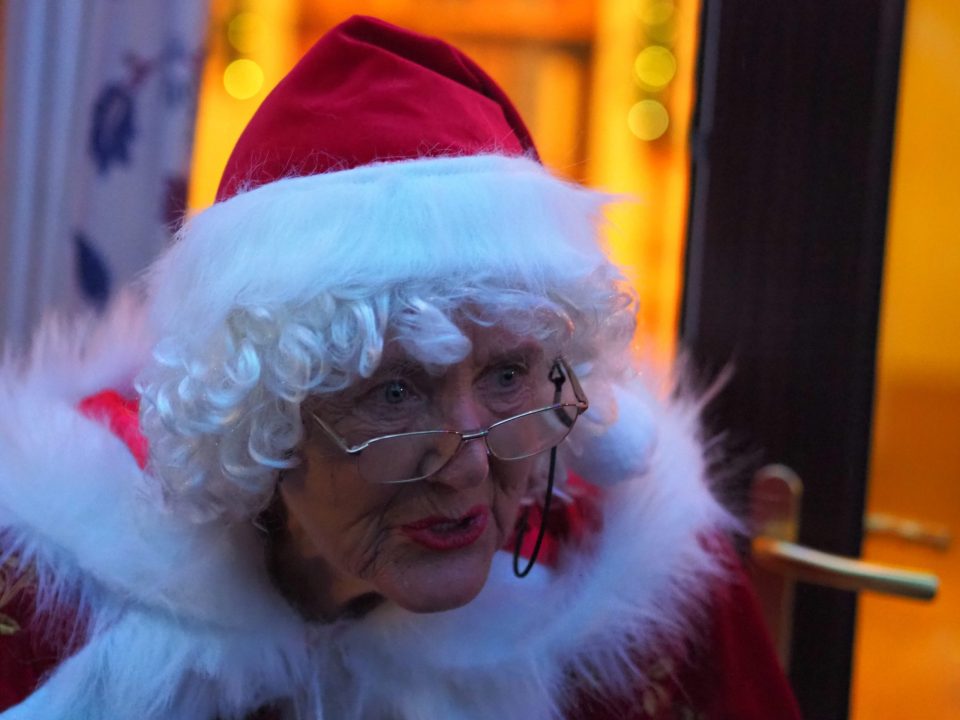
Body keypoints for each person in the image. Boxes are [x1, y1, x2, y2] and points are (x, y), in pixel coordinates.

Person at [0, 15, 801, 720]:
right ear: (264, 428)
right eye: (394, 392)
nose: (469, 466)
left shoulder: (625, 593)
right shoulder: (51, 597)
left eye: (508, 376)